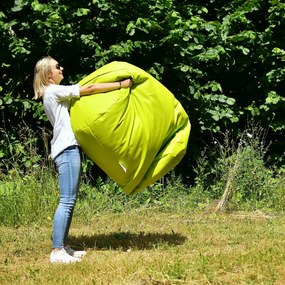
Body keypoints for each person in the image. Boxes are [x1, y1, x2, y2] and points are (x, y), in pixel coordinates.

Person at [33, 56, 132, 263]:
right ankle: (57, 251)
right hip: (66, 149)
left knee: (70, 200)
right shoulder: (53, 90)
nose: (62, 68)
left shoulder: (54, 94)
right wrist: (120, 85)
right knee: (67, 200)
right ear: (48, 74)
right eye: (57, 67)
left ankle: (64, 247)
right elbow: (90, 88)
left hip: (68, 148)